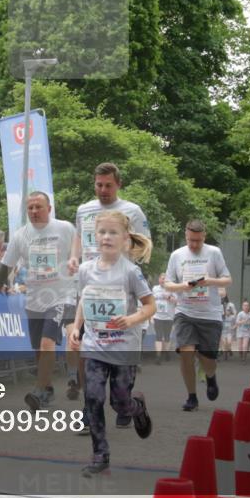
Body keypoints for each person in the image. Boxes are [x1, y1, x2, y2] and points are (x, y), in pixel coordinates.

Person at [68, 210, 154, 477]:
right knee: (92, 399)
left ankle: (136, 407)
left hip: (124, 349)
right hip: (94, 346)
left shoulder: (131, 272)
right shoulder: (85, 269)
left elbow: (150, 306)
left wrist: (131, 319)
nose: (106, 237)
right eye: (101, 232)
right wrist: (76, 327)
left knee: (119, 404)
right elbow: (84, 298)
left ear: (125, 238)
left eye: (112, 232)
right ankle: (100, 455)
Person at [71, 162, 150, 401]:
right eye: (99, 185)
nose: (103, 190)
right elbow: (78, 236)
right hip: (91, 281)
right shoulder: (84, 209)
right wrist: (75, 256)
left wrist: (122, 255)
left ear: (118, 185)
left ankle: (125, 398)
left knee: (121, 345)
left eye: (108, 185)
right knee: (86, 347)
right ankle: (89, 406)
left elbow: (144, 243)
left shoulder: (132, 210)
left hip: (119, 285)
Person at [0, 191, 77, 411]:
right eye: (30, 208)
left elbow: (78, 257)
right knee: (38, 350)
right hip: (34, 299)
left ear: (49, 208)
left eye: (39, 207)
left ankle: (39, 391)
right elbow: (4, 269)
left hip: (61, 295)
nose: (34, 211)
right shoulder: (20, 235)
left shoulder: (65, 228)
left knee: (47, 342)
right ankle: (48, 388)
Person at [164, 220, 233, 411]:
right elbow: (168, 284)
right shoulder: (177, 255)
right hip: (185, 312)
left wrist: (210, 281)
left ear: (204, 236)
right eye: (190, 240)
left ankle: (211, 377)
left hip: (210, 314)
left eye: (197, 241)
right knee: (186, 353)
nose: (193, 245)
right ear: (185, 235)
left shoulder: (214, 253)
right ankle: (191, 397)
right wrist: (182, 287)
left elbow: (228, 280)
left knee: (207, 359)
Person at [151, 274, 177, 365]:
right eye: (162, 279)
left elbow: (177, 301)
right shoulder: (155, 289)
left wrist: (169, 297)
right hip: (157, 316)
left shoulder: (172, 289)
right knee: (158, 336)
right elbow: (152, 301)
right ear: (159, 280)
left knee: (167, 337)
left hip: (169, 316)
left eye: (165, 280)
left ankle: (167, 352)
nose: (163, 281)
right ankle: (158, 356)